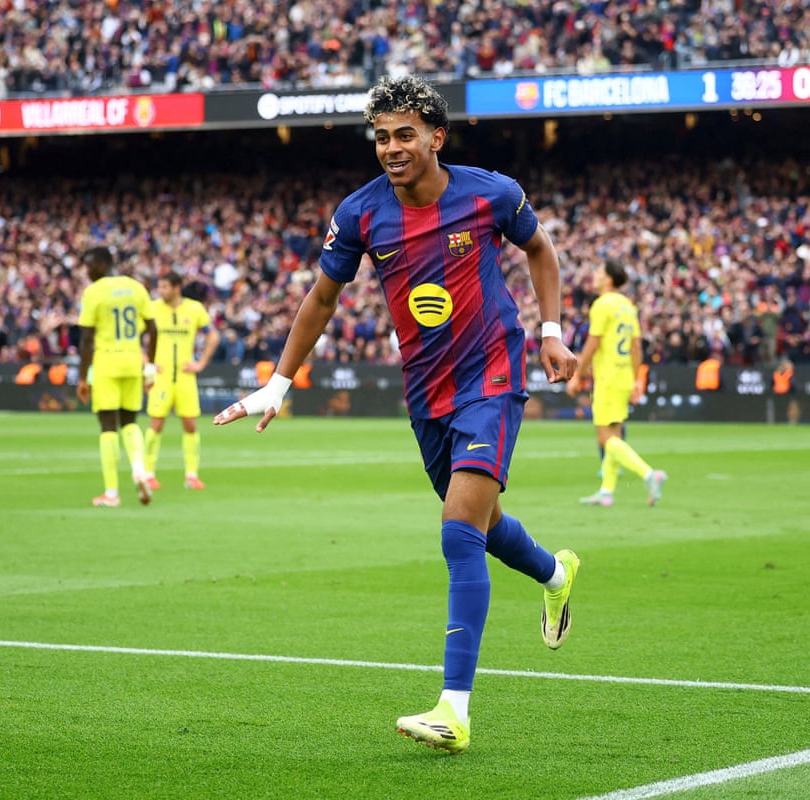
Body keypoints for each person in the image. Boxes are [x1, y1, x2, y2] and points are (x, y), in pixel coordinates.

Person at [214, 75, 581, 755]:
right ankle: (557, 575)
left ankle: (454, 707)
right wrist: (278, 381)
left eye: (404, 134)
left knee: (456, 530)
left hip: (492, 377)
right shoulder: (359, 213)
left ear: (436, 137)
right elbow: (322, 299)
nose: (391, 147)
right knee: (484, 526)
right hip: (426, 393)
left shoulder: (490, 193)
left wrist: (552, 329)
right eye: (381, 136)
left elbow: (540, 249)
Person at [566, 260, 667, 507]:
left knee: (605, 438)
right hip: (623, 377)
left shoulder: (603, 305)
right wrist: (635, 380)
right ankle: (607, 491)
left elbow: (593, 342)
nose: (596, 275)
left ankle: (648, 474)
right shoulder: (627, 306)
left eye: (600, 271)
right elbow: (636, 347)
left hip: (608, 378)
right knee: (615, 433)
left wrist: (577, 374)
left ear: (609, 279)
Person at [76, 246, 158, 508]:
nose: (87, 271)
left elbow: (87, 339)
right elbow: (153, 329)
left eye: (89, 265)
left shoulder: (94, 292)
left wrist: (81, 377)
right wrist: (151, 366)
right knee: (131, 422)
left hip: (107, 362)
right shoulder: (136, 287)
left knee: (108, 426)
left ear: (102, 264)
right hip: (133, 361)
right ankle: (139, 468)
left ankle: (111, 493)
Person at [143, 271, 221, 491]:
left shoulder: (194, 309)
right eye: (160, 286)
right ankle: (148, 473)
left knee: (190, 424)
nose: (161, 291)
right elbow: (137, 335)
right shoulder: (153, 309)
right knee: (156, 423)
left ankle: (192, 475)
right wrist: (145, 361)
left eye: (165, 286)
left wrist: (201, 363)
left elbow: (213, 335)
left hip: (186, 376)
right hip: (161, 377)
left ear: (177, 288)